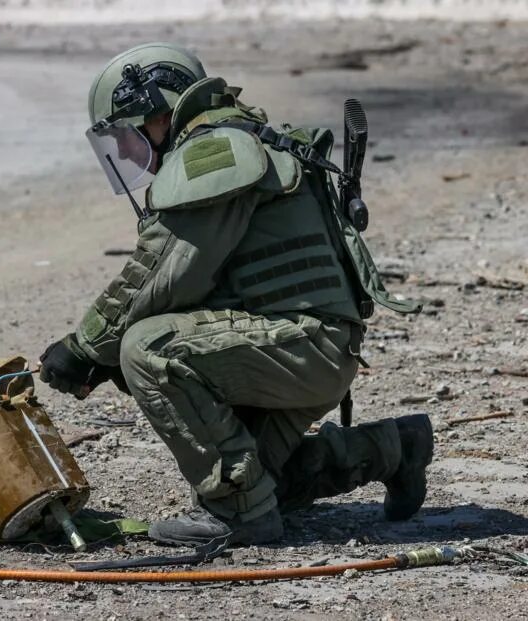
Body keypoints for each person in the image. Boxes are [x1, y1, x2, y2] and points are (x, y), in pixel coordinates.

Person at [38, 42, 434, 546]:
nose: (131, 152)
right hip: (308, 346)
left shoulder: (211, 153)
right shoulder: (243, 136)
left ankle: (238, 516)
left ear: (158, 110)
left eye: (129, 134)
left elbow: (162, 274)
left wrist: (84, 348)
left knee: (147, 348)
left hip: (298, 346)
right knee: (269, 484)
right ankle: (394, 448)